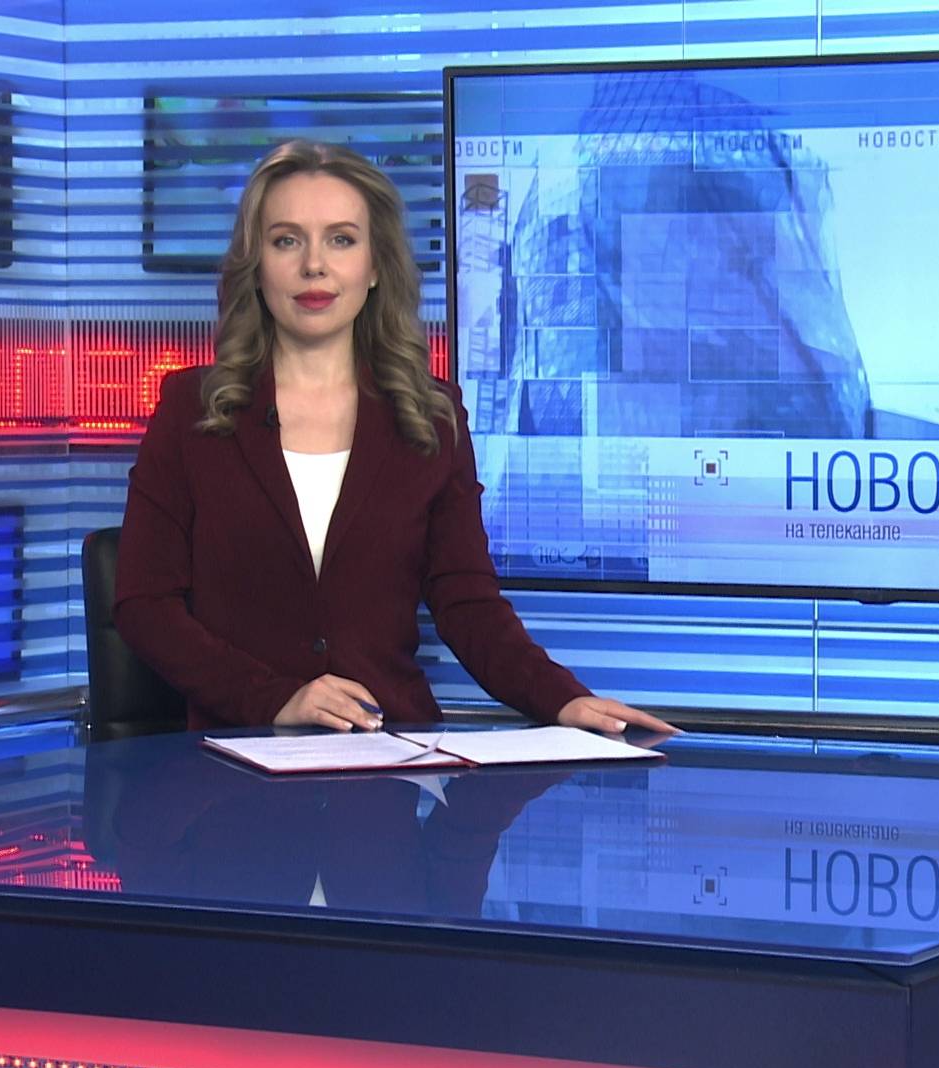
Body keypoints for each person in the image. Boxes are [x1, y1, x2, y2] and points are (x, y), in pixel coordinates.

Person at [114, 140, 672, 737]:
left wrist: (562, 700)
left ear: (376, 266)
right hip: (236, 759)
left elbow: (467, 602)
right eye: (286, 240)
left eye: (341, 239)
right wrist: (273, 700)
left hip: (390, 755)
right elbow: (145, 606)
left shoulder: (429, 418)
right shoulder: (192, 411)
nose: (314, 266)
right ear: (256, 264)